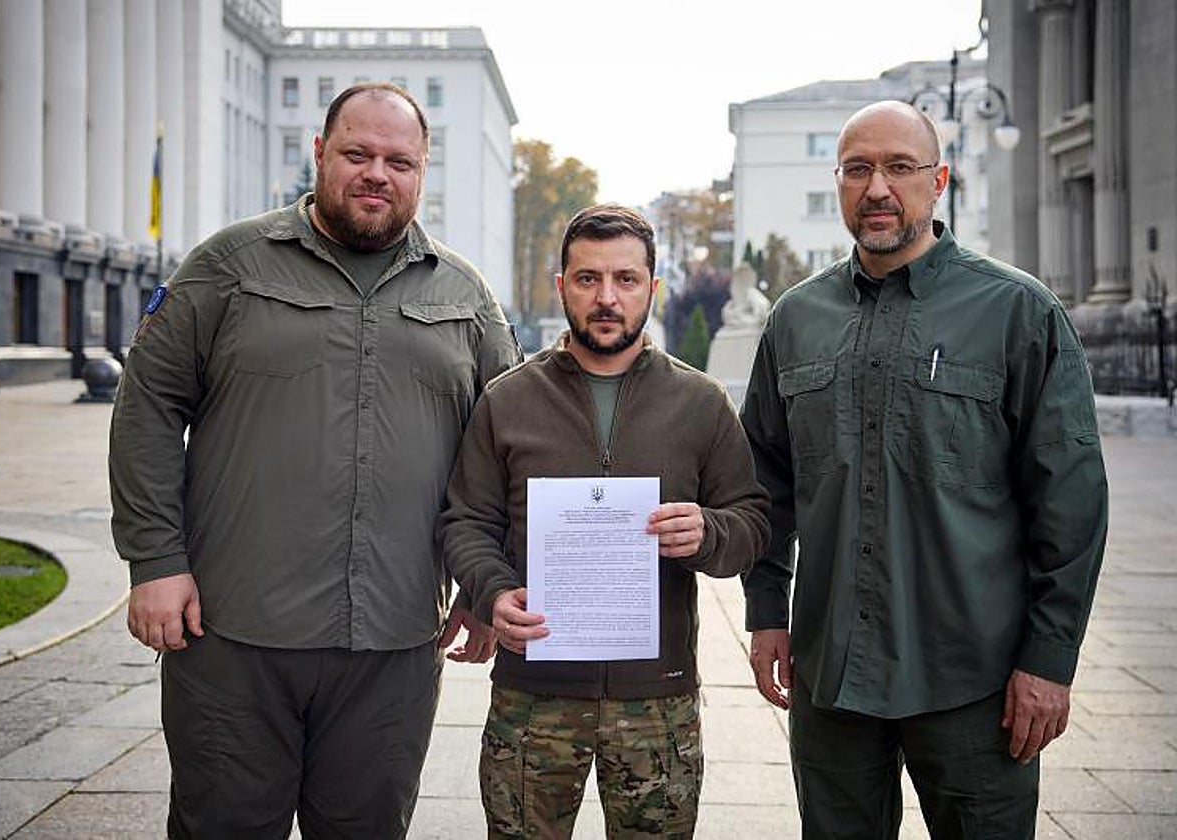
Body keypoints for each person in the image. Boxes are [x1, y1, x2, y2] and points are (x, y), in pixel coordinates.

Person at [109, 82, 522, 839]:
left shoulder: (466, 297)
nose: (377, 173)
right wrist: (155, 560)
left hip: (394, 644)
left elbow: (505, 452)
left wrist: (484, 580)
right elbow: (148, 407)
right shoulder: (228, 267)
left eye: (399, 160)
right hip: (233, 636)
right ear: (320, 153)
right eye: (358, 153)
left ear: (422, 170)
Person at [740, 100, 1109, 839]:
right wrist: (765, 611)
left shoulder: (1017, 312)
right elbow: (764, 482)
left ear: (938, 181)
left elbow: (1069, 499)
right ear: (839, 182)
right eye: (858, 169)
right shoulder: (794, 319)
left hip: (977, 683)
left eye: (900, 168)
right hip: (832, 676)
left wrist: (1050, 658)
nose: (878, 187)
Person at [440, 204, 770, 838]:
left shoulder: (699, 403)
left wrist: (708, 532)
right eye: (588, 279)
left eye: (626, 279)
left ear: (653, 287)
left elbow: (751, 520)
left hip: (657, 701)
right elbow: (466, 520)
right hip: (533, 699)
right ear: (561, 285)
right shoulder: (507, 400)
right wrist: (492, 590)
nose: (607, 297)